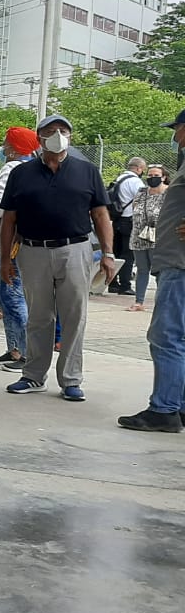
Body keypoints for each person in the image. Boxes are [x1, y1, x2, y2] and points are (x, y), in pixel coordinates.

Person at [0, 114, 117, 402]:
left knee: (75, 315)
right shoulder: (21, 174)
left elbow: (101, 215)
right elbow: (8, 219)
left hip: (75, 250)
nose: (58, 135)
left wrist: (108, 253)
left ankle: (71, 379)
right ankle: (33, 375)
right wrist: (4, 260)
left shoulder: (87, 171)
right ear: (39, 138)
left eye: (63, 130)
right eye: (51, 131)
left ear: (71, 137)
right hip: (32, 251)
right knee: (39, 316)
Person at [118, 112, 185, 431]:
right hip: (175, 263)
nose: (175, 138)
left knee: (166, 336)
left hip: (180, 266)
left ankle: (164, 410)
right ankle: (178, 405)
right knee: (178, 337)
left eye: (178, 130)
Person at [0, 127, 39, 372]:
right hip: (20, 242)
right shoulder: (34, 168)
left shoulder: (11, 169)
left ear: (13, 148)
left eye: (5, 143)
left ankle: (24, 354)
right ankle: (14, 348)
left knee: (13, 298)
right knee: (7, 296)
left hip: (10, 243)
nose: (2, 147)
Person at [127, 164, 169, 311]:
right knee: (142, 269)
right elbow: (135, 207)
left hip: (158, 238)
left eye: (156, 175)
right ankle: (139, 302)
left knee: (159, 271)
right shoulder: (142, 191)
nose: (152, 178)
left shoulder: (168, 193)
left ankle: (162, 302)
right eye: (150, 175)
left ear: (163, 177)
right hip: (139, 236)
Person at [109, 157, 147, 296]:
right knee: (128, 254)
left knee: (116, 252)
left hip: (117, 220)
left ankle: (112, 283)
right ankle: (125, 285)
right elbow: (142, 200)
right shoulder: (136, 182)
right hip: (129, 220)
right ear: (138, 168)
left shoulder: (119, 178)